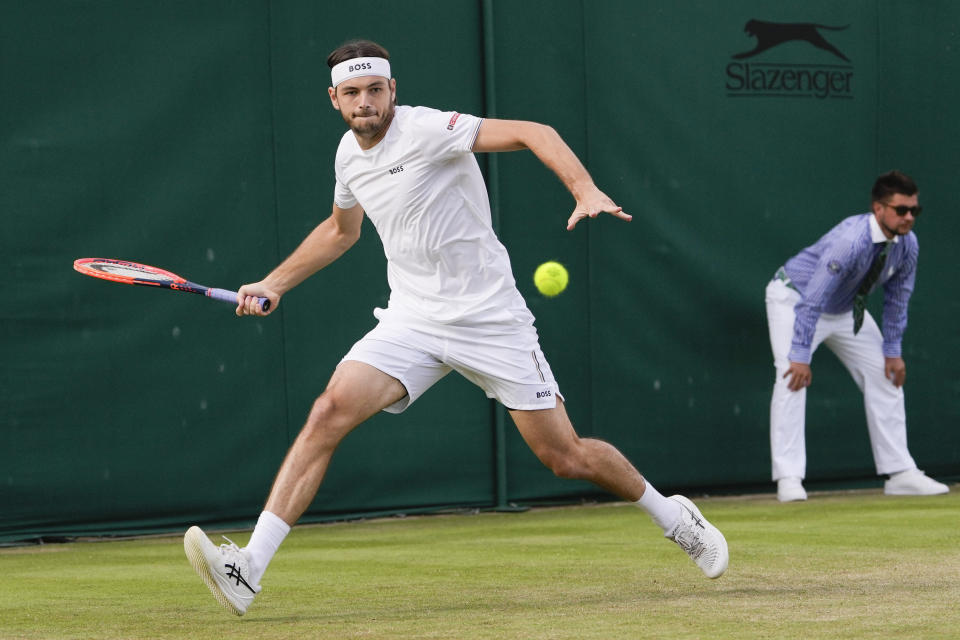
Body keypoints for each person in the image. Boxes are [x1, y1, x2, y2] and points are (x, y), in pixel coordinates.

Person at [183, 39, 728, 616]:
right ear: (335, 99)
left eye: (375, 90)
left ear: (392, 90)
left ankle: (674, 517)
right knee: (328, 411)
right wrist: (274, 283)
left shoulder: (428, 130)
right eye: (352, 93)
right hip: (413, 318)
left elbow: (535, 131)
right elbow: (341, 231)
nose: (364, 101)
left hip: (491, 319)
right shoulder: (348, 155)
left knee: (565, 456)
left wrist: (584, 188)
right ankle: (248, 568)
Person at [766, 170, 949, 502]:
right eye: (901, 210)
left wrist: (892, 351)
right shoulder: (850, 241)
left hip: (845, 310)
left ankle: (900, 473)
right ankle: (789, 479)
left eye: (914, 211)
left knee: (887, 373)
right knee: (791, 376)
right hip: (795, 299)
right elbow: (813, 300)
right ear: (879, 209)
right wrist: (801, 354)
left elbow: (898, 299)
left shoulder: (908, 245)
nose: (909, 217)